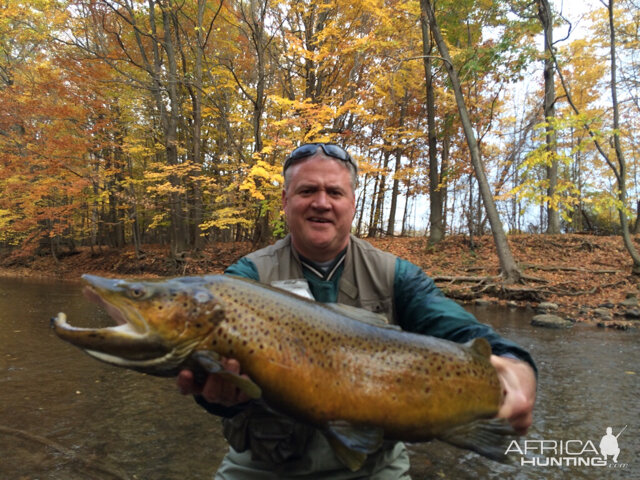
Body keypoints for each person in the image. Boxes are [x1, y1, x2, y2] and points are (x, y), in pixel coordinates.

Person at [177, 143, 537, 479]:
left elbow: (467, 335)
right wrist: (222, 402)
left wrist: (518, 369)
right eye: (307, 191)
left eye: (334, 192)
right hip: (264, 465)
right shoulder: (245, 279)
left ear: (352, 203)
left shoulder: (396, 275)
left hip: (372, 467)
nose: (321, 203)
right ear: (285, 201)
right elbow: (212, 385)